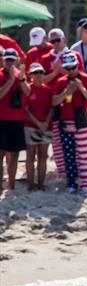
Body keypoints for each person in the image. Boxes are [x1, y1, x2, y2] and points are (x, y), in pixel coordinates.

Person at [51, 51, 87, 195]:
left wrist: (81, 88)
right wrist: (66, 92)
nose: (71, 71)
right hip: (65, 121)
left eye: (73, 67)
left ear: (78, 65)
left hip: (81, 120)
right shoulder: (61, 81)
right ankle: (71, 183)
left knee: (83, 154)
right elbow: (54, 102)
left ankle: (85, 183)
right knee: (69, 154)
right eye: (68, 68)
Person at [0, 49, 31, 193]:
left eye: (12, 60)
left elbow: (28, 93)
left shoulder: (21, 76)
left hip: (17, 120)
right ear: (3, 60)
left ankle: (11, 186)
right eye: (7, 60)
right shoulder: (0, 74)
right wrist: (11, 80)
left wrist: (20, 79)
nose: (10, 63)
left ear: (17, 60)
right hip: (2, 120)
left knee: (14, 156)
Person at [24, 63, 53, 191]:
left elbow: (51, 108)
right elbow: (26, 110)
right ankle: (31, 184)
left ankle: (41, 184)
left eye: (41, 72)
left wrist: (46, 122)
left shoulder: (48, 90)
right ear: (31, 76)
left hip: (46, 126)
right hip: (31, 125)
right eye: (36, 73)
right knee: (31, 156)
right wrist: (38, 123)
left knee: (43, 156)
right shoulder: (28, 89)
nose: (39, 75)